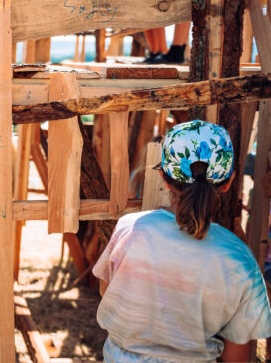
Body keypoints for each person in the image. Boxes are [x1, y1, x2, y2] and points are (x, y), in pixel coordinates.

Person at [93, 120, 271, 362]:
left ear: (164, 179)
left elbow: (107, 290)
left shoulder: (131, 229)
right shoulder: (239, 258)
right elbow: (238, 353)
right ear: (228, 182)